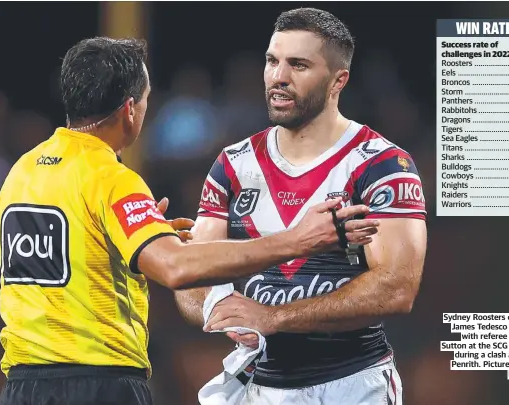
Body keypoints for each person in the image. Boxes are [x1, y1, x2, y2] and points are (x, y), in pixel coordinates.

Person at [0, 37, 379, 405]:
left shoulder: (22, 172)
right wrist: (297, 240)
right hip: (97, 384)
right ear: (130, 109)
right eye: (146, 101)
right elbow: (175, 268)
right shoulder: (110, 178)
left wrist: (136, 238)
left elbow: (58, 259)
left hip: (20, 385)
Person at [175, 8, 427, 405]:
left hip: (353, 384)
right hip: (260, 386)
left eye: (299, 65)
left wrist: (272, 318)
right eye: (272, 61)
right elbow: (193, 273)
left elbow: (397, 289)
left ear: (337, 81)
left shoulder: (381, 164)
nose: (278, 76)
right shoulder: (232, 165)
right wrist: (218, 309)